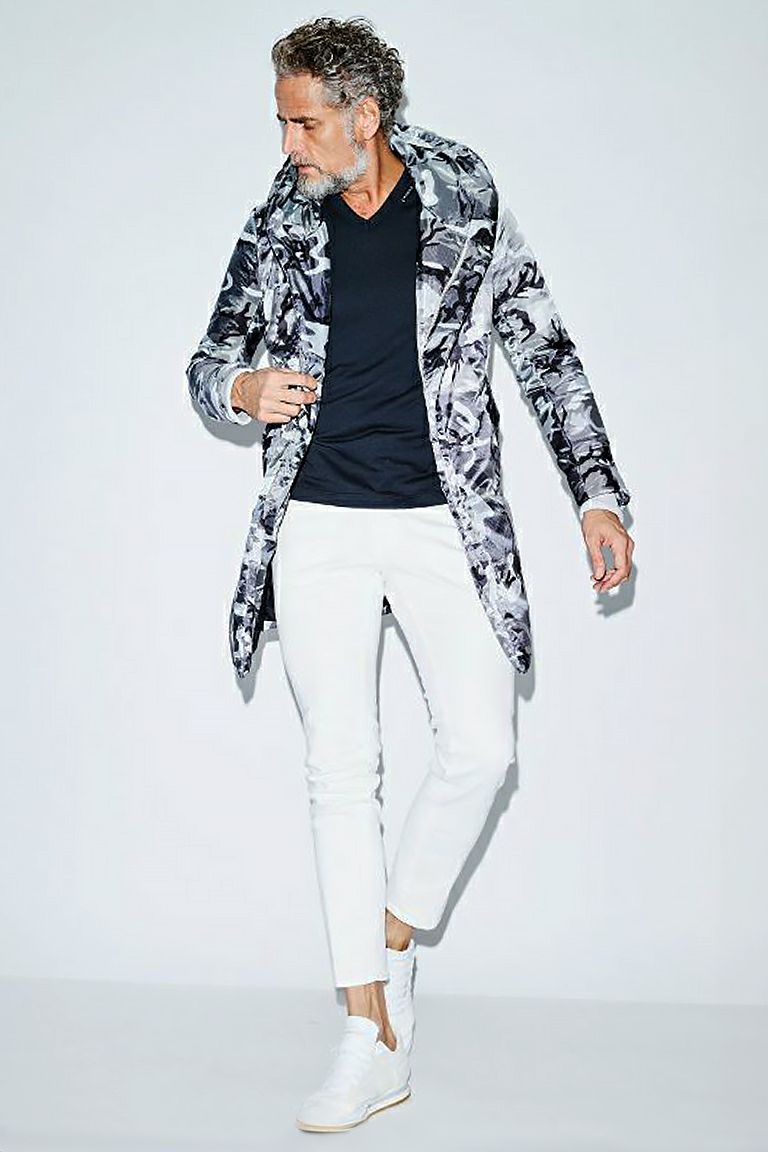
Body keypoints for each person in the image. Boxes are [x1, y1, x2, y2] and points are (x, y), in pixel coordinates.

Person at [186, 16, 634, 1133]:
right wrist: (239, 391)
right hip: (318, 523)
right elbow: (207, 358)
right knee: (342, 772)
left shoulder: (463, 193)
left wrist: (596, 492)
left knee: (483, 750)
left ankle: (387, 945)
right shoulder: (278, 219)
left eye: (303, 122)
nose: (287, 143)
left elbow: (542, 346)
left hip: (445, 521)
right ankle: (368, 1036)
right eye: (282, 121)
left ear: (365, 115)